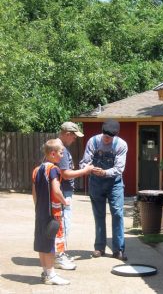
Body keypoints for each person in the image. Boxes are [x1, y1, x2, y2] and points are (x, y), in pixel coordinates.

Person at [80, 119, 128, 260]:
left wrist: (105, 172)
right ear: (102, 132)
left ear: (115, 136)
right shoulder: (93, 142)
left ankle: (118, 249)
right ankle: (99, 247)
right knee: (99, 214)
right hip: (96, 182)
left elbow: (119, 168)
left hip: (115, 184)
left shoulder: (121, 145)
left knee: (118, 214)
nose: (107, 140)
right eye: (105, 137)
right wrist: (89, 168)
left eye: (110, 138)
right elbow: (85, 161)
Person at [55, 122, 94, 270]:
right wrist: (85, 171)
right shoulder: (61, 150)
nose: (75, 139)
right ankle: (59, 257)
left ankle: (60, 254)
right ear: (67, 134)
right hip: (63, 192)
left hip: (61, 192)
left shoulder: (56, 147)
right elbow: (65, 174)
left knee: (61, 225)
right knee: (63, 225)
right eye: (74, 136)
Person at [32, 139, 70, 285]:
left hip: (40, 213)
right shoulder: (53, 169)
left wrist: (38, 209)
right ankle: (52, 275)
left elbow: (34, 195)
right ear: (52, 153)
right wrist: (64, 201)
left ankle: (46, 273)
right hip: (51, 214)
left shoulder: (37, 170)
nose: (62, 155)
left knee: (42, 243)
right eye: (61, 152)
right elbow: (56, 190)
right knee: (51, 245)